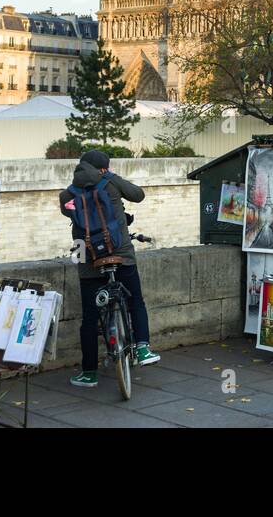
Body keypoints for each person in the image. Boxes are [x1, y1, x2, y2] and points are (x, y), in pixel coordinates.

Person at [59, 149, 160, 387]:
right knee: (136, 301)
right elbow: (138, 195)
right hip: (121, 255)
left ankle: (89, 373)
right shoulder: (111, 184)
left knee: (90, 317)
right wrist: (112, 177)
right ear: (104, 168)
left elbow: (71, 215)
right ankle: (143, 348)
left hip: (88, 259)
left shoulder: (67, 195)